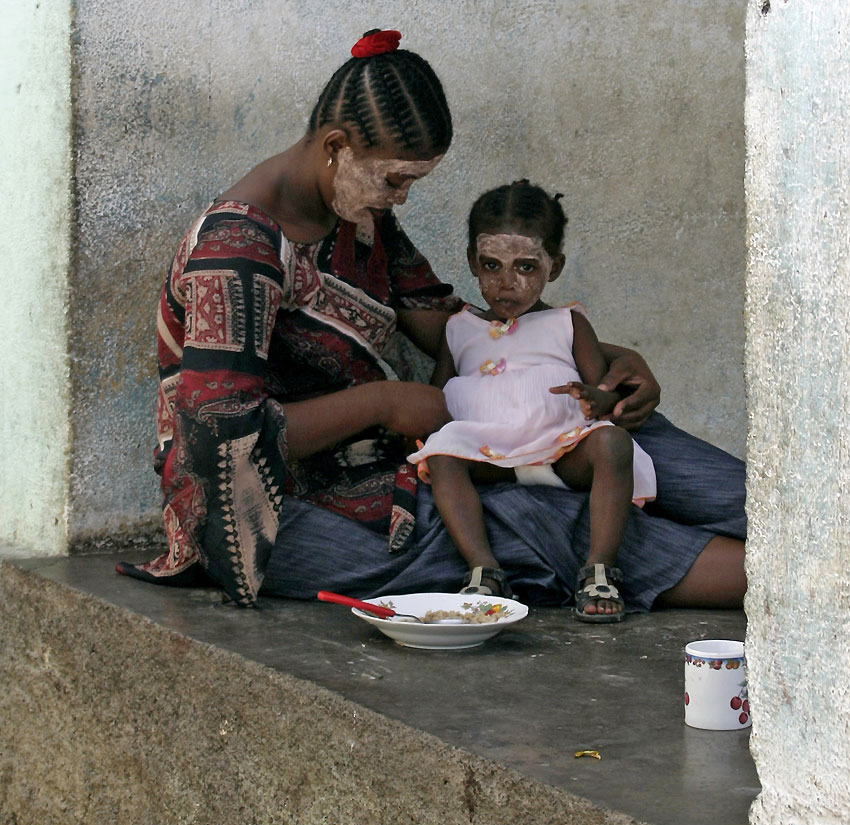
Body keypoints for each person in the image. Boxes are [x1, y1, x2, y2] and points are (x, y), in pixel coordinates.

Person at [117, 29, 747, 612]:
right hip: (285, 507)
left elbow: (455, 324)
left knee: (605, 420)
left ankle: (809, 532)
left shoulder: (359, 214)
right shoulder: (237, 250)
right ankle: (785, 577)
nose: (401, 198)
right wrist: (385, 403)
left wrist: (602, 354)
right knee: (527, 519)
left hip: (396, 453)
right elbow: (218, 441)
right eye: (396, 179)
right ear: (338, 147)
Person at [407, 181, 658, 622]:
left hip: (562, 448)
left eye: (525, 267)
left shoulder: (568, 323)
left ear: (554, 267)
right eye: (491, 266)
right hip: (487, 452)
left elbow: (602, 392)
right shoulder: (457, 328)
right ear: (471, 262)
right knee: (443, 453)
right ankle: (484, 570)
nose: (506, 284)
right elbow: (437, 399)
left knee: (612, 444)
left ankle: (598, 568)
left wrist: (596, 397)